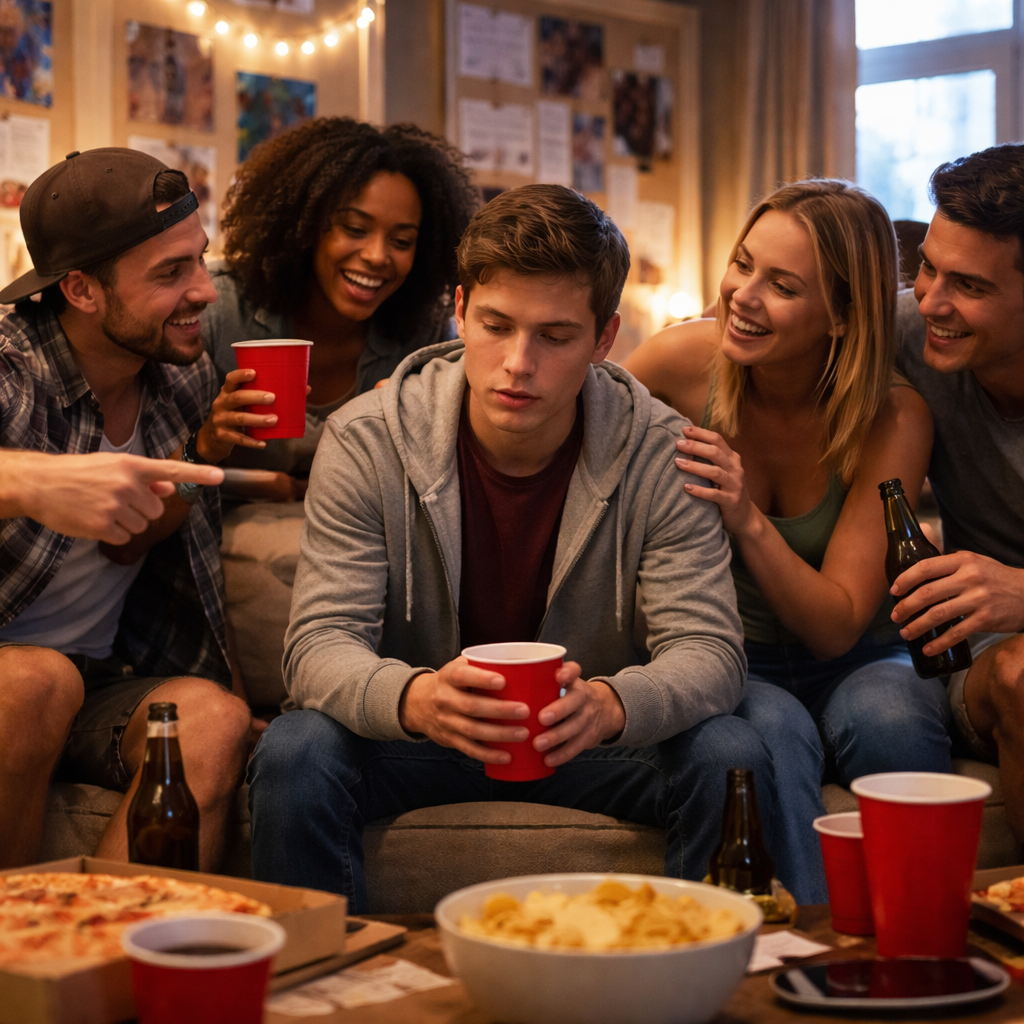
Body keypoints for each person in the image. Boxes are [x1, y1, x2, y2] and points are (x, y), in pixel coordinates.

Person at [246, 184, 777, 912]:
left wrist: (613, 706)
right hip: (423, 736)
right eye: (496, 324)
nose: (517, 363)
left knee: (729, 752)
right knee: (296, 747)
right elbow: (318, 645)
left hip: (587, 739)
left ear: (603, 338)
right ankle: (314, 989)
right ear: (460, 310)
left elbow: (711, 651)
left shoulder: (662, 450)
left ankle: (687, 981)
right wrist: (413, 697)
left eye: (555, 337)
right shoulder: (366, 439)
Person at [625, 179, 947, 905]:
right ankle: (805, 964)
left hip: (863, 652)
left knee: (890, 717)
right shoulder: (681, 363)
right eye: (743, 264)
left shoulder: (893, 417)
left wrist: (745, 515)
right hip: (732, 655)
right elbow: (567, 416)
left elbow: (836, 623)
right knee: (771, 734)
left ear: (840, 316)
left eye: (782, 285)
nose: (742, 293)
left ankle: (923, 939)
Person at [0, 148, 274, 869]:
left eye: (198, 260)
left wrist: (199, 461)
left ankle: (109, 960)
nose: (205, 294)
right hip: (19, 680)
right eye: (169, 273)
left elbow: (144, 551)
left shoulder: (181, 378)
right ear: (84, 290)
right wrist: (26, 482)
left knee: (212, 721)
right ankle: (16, 961)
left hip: (99, 677)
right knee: (35, 682)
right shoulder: (8, 366)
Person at [200, 117, 478, 500]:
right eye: (354, 229)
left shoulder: (423, 338)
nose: (377, 256)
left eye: (401, 240)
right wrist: (214, 443)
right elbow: (161, 469)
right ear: (306, 224)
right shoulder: (218, 308)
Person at [891, 144, 1024, 841]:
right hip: (993, 665)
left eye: (969, 286)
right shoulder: (913, 331)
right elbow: (745, 336)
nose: (932, 302)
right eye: (927, 268)